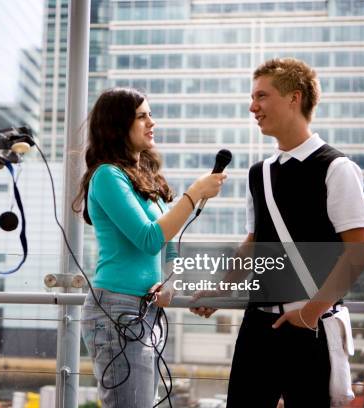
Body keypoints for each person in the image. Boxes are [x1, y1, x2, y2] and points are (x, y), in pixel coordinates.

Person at [191, 58, 364, 407]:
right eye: (252, 97)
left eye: (262, 96)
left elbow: (360, 253)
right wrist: (219, 290)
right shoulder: (258, 173)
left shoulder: (336, 168)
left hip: (310, 326)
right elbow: (255, 241)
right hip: (257, 327)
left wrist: (310, 313)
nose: (252, 106)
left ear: (294, 97)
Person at [73, 87, 227, 406]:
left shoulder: (141, 178)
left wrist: (169, 284)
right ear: (118, 125)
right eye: (142, 116)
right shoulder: (106, 176)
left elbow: (166, 243)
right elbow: (149, 238)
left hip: (145, 310)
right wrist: (194, 193)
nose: (151, 123)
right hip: (116, 309)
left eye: (150, 115)